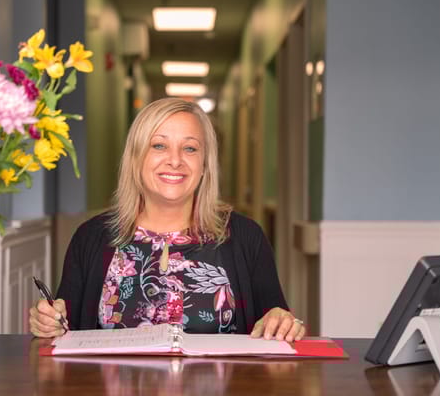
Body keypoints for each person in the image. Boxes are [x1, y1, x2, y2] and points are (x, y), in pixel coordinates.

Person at [29, 97, 306, 342]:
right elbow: (66, 332)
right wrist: (49, 324)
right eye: (159, 145)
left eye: (190, 149)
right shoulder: (90, 237)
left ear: (205, 165)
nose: (175, 160)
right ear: (136, 158)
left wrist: (281, 321)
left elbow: (276, 319)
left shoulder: (246, 237)